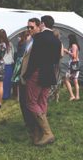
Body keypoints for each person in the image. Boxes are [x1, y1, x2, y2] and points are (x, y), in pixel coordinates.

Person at [22, 15, 62, 146]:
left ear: (42, 24)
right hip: (49, 72)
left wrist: (27, 74)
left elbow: (33, 59)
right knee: (42, 101)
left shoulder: (38, 37)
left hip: (36, 72)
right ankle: (38, 132)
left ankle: (47, 132)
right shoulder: (57, 41)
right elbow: (56, 60)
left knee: (31, 103)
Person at [18, 19, 40, 140]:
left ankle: (34, 126)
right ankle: (29, 123)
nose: (29, 29)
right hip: (24, 75)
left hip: (30, 76)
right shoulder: (29, 41)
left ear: (38, 27)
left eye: (32, 27)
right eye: (28, 27)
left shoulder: (37, 41)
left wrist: (28, 74)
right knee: (23, 101)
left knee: (30, 102)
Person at [48, 29, 64, 102]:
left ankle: (49, 96)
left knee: (50, 80)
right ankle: (57, 97)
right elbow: (62, 55)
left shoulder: (49, 43)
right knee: (58, 80)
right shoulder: (60, 43)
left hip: (50, 63)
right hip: (58, 63)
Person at [63, 33, 80, 100]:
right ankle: (77, 96)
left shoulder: (73, 45)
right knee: (75, 80)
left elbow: (74, 55)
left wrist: (67, 51)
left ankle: (72, 95)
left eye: (68, 38)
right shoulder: (74, 45)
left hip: (72, 64)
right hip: (76, 64)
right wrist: (67, 50)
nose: (67, 39)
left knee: (66, 80)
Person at [13, 31, 29, 100]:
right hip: (23, 61)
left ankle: (18, 97)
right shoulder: (26, 44)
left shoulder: (19, 44)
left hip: (18, 62)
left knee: (18, 81)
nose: (18, 38)